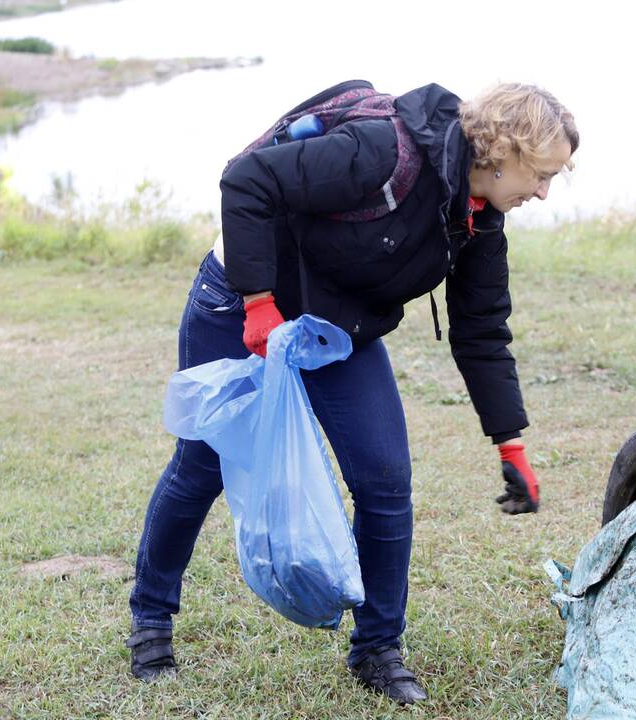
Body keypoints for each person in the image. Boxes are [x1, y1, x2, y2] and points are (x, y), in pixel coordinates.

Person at [126, 81, 579, 705]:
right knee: (203, 464)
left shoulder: (478, 219)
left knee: (385, 480)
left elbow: (480, 330)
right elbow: (247, 180)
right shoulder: (381, 152)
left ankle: (377, 649)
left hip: (339, 328)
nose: (544, 192)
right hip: (242, 304)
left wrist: (511, 443)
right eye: (542, 174)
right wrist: (259, 304)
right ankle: (151, 619)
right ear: (503, 150)